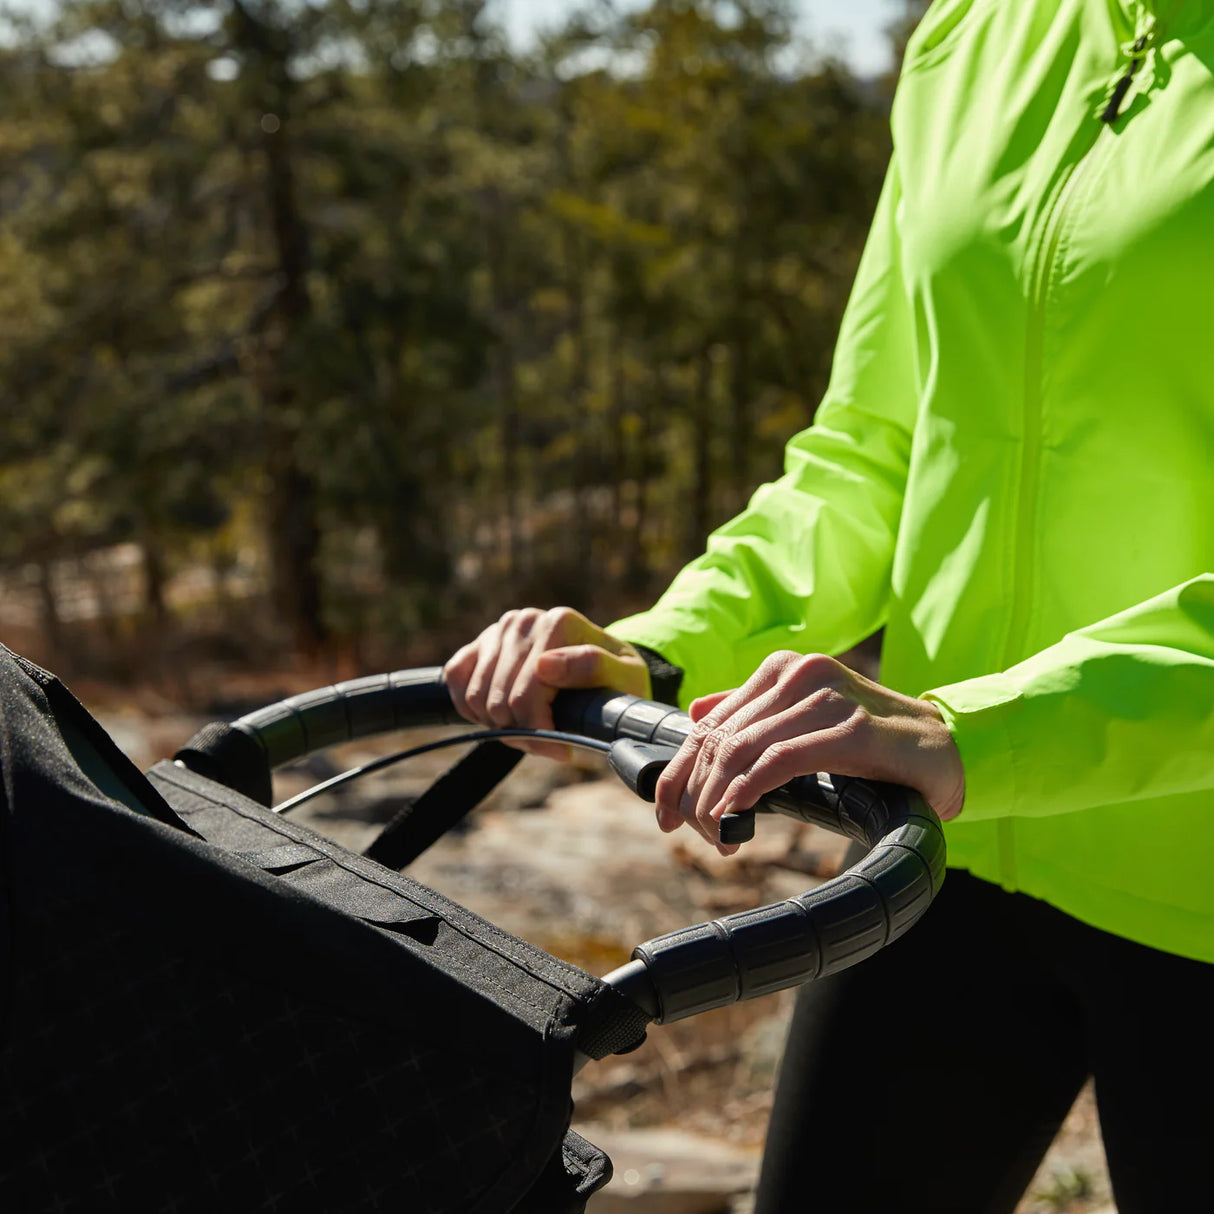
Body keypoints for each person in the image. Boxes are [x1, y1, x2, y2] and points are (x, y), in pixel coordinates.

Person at [444, 1, 1214, 1210]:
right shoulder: (977, 33)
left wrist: (979, 731)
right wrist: (659, 647)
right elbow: (870, 453)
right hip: (938, 857)